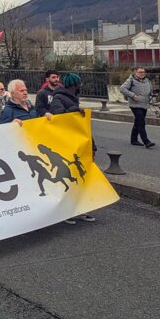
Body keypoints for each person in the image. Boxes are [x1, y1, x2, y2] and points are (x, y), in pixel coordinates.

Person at [48, 73, 96, 225]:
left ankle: (81, 208)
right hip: (68, 143)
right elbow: (58, 117)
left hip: (80, 141)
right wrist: (75, 109)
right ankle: (67, 211)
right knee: (69, 178)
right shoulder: (58, 98)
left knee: (82, 178)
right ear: (74, 85)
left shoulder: (71, 97)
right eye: (78, 83)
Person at [119, 67, 155, 148]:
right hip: (135, 105)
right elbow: (122, 88)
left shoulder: (147, 81)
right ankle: (146, 141)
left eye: (143, 72)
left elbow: (150, 91)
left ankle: (134, 140)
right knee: (141, 122)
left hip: (144, 104)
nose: (142, 73)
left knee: (137, 122)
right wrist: (132, 95)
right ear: (135, 72)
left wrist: (153, 94)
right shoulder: (131, 80)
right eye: (140, 72)